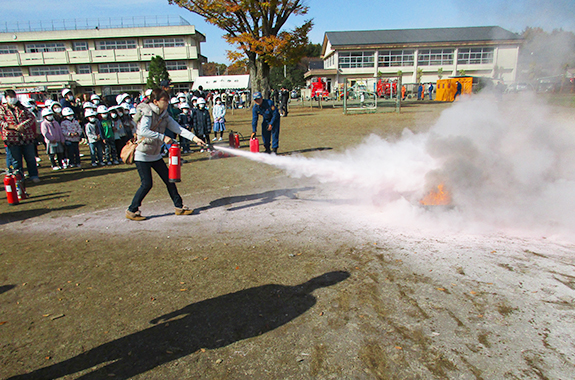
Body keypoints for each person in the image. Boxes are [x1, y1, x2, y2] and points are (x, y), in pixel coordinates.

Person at [126, 88, 206, 221]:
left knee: (169, 179)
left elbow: (178, 129)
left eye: (168, 100)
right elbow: (144, 131)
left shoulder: (164, 115)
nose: (167, 103)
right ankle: (132, 210)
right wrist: (162, 137)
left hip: (155, 154)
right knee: (146, 184)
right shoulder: (147, 113)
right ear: (156, 101)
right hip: (142, 154)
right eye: (164, 100)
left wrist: (194, 138)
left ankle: (179, 207)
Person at [0, 90, 40, 182]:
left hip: (26, 137)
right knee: (16, 160)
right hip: (12, 138)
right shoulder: (2, 109)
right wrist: (13, 127)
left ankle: (33, 175)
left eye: (13, 96)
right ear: (6, 98)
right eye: (10, 97)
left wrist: (23, 126)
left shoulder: (22, 108)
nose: (12, 99)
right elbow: (1, 122)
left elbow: (31, 118)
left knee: (30, 158)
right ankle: (18, 177)